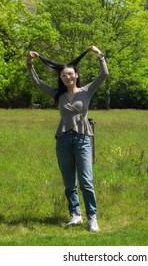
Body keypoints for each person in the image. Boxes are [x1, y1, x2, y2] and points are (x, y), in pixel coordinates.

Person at [26, 45, 108, 232]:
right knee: (69, 182)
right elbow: (38, 83)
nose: (67, 77)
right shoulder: (58, 95)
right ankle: (75, 215)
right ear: (61, 78)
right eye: (64, 76)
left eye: (70, 74)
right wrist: (29, 64)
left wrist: (99, 55)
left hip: (82, 139)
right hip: (63, 140)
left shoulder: (86, 91)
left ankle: (92, 218)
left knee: (86, 181)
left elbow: (103, 75)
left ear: (76, 75)